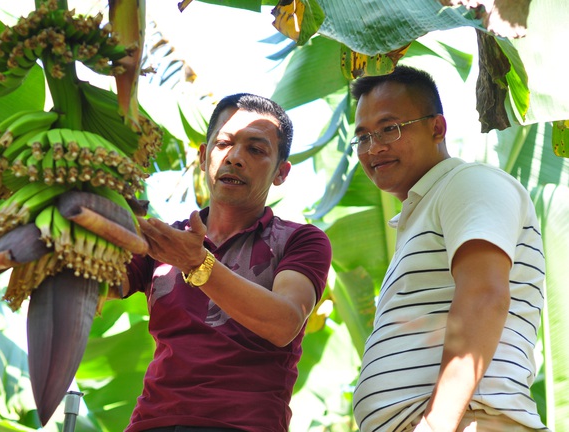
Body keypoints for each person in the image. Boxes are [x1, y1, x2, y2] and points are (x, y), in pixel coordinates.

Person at [349, 66, 548, 432]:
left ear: (437, 128)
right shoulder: (420, 213)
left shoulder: (468, 181)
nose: (373, 147)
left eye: (389, 128)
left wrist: (435, 424)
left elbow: (485, 295)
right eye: (362, 137)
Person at [120, 93, 332, 432]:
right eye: (223, 144)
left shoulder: (300, 241)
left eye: (256, 149)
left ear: (281, 172)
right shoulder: (163, 241)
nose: (234, 158)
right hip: (152, 422)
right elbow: (96, 285)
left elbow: (284, 322)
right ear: (204, 157)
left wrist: (197, 264)